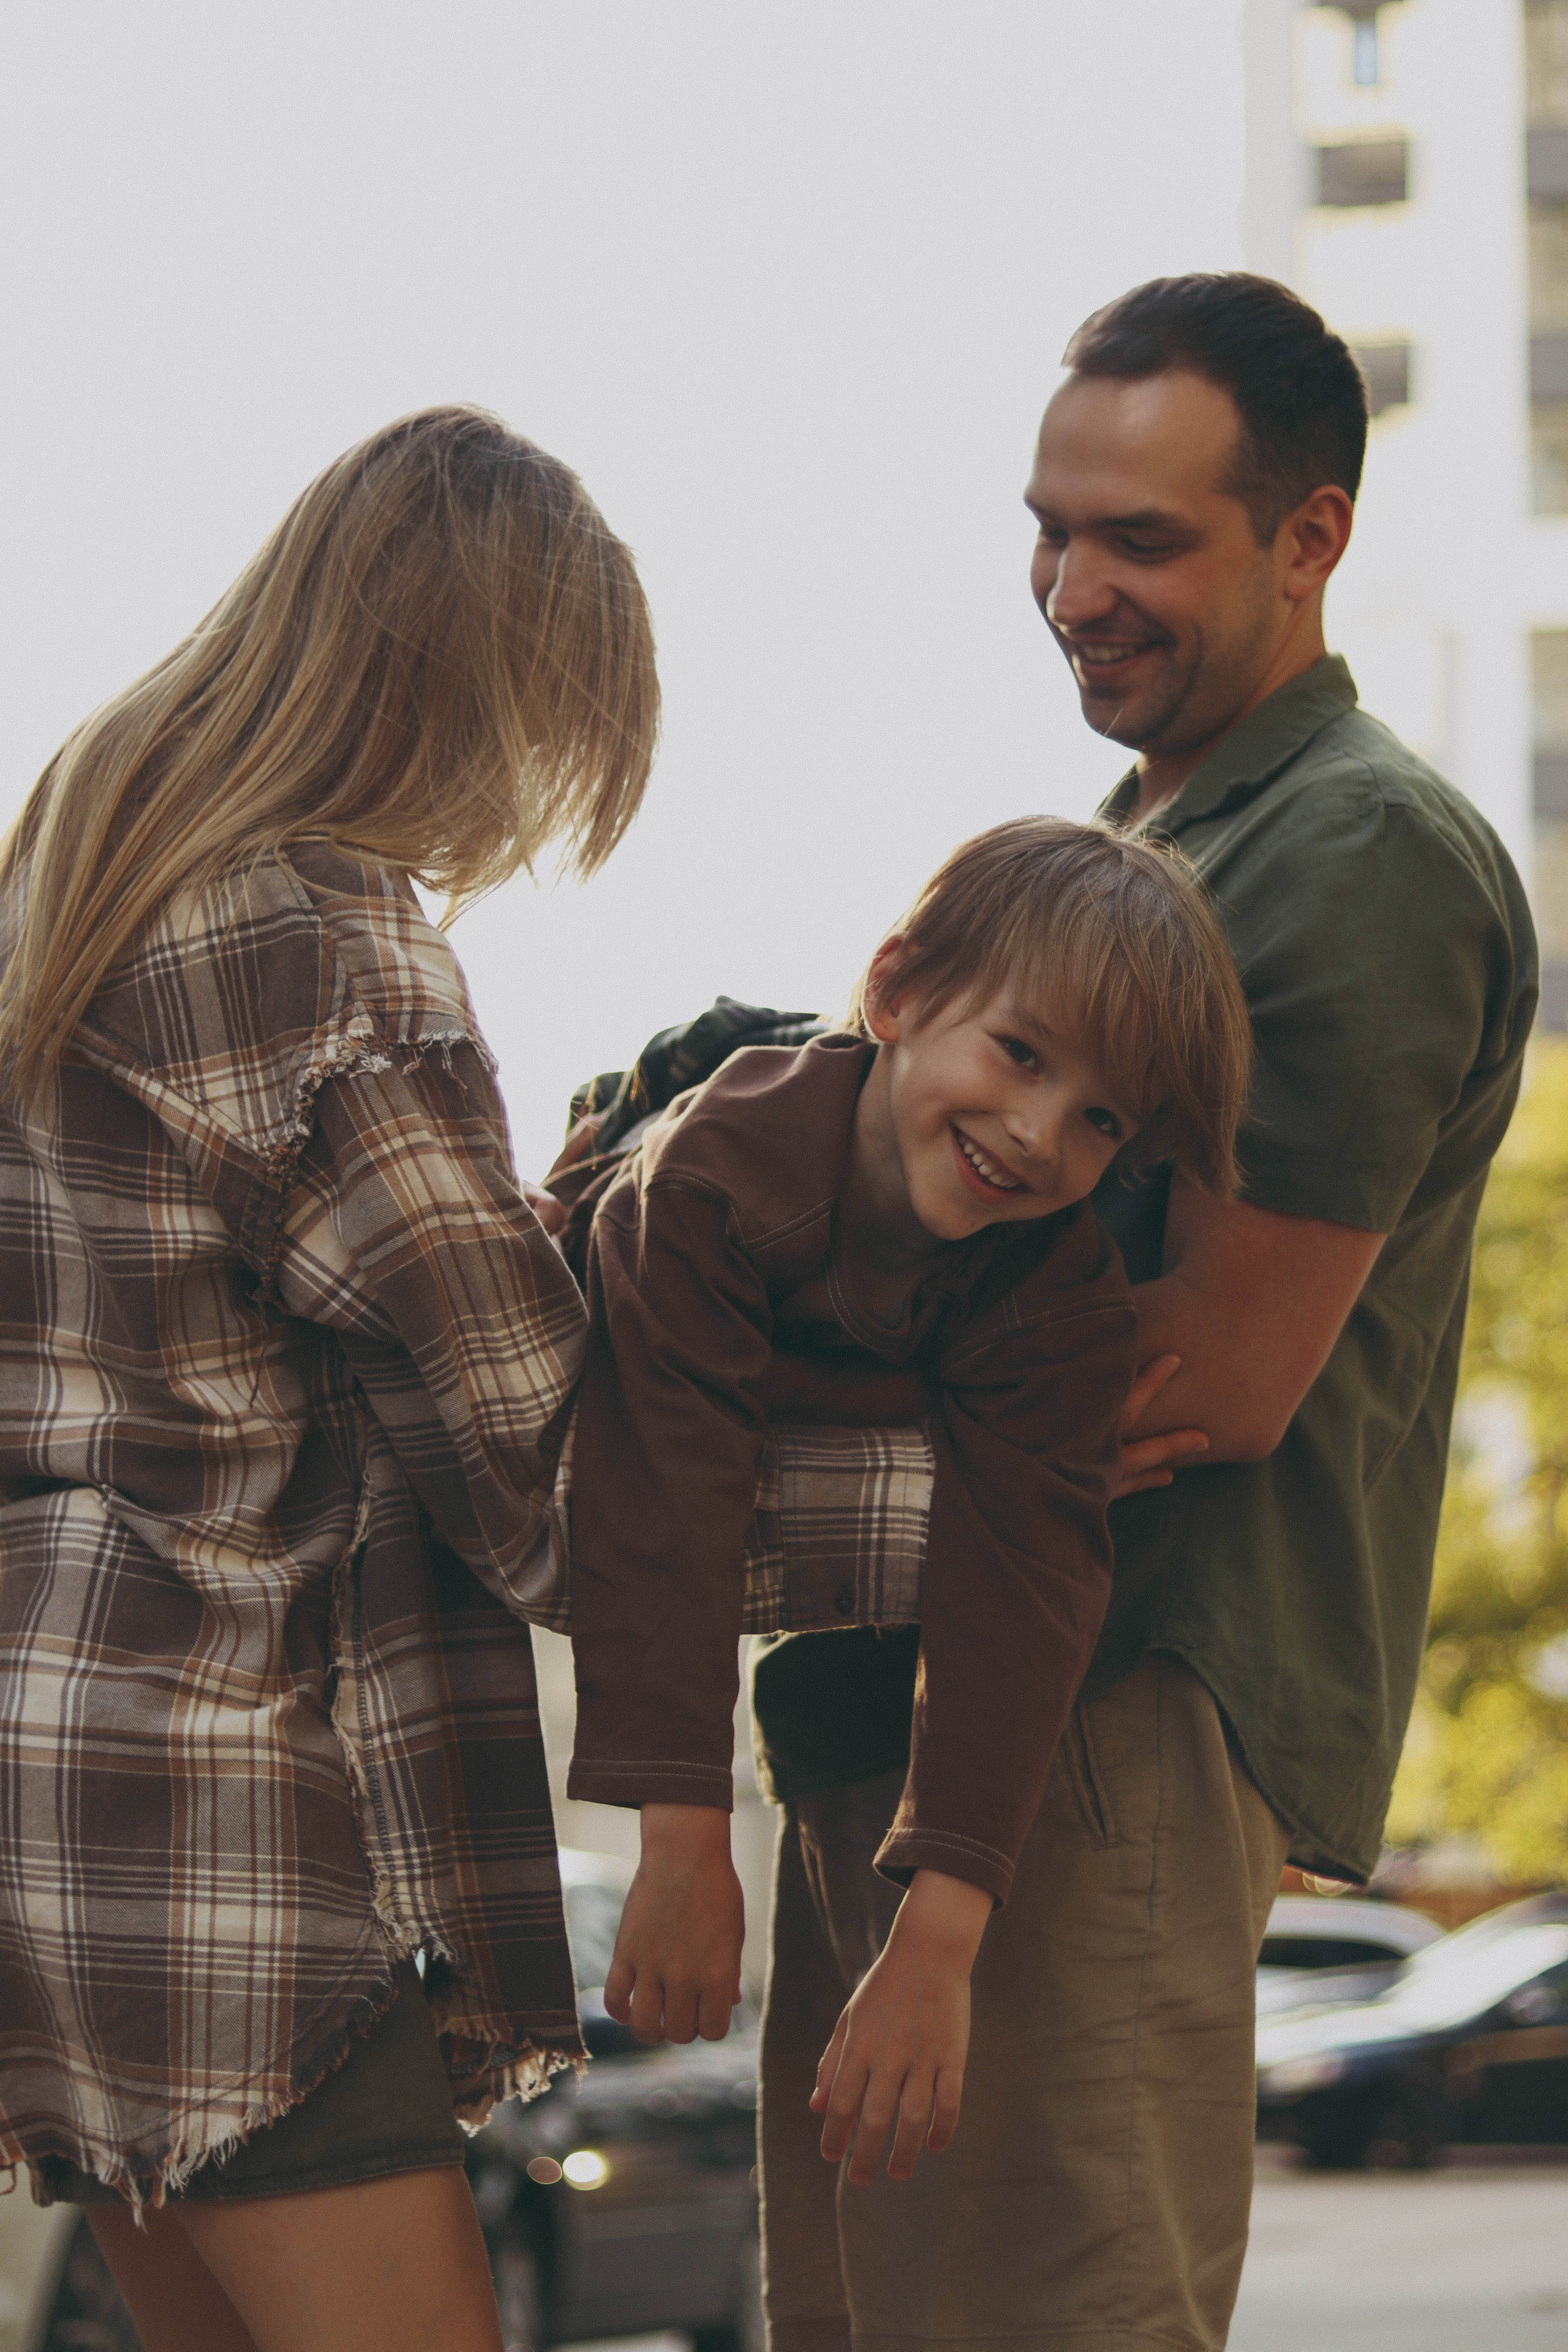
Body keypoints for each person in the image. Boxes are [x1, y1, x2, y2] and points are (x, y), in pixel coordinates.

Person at [572, 275, 1537, 2352]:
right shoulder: (1137, 849)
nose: (1071, 586)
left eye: (1144, 541)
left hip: (1106, 1706)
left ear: (1311, 540)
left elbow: (1198, 1380)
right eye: (1050, 528)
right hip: (911, 1719)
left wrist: (723, 1382)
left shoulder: (1351, 849)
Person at [0, 406, 658, 2352]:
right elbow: (547, 1472)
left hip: (48, 1776)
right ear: (477, 692)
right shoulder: (329, 947)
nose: (521, 806)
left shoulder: (75, 879)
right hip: (229, 1800)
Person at [559, 820, 1251, 2171]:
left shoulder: (1053, 1294)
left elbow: (1024, 1589)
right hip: (633, 1270)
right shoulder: (709, 1180)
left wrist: (936, 1947)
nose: (1038, 1133)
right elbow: (666, 1490)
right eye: (1019, 1053)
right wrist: (683, 1839)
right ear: (892, 996)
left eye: (1099, 1117)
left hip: (866, 1356)